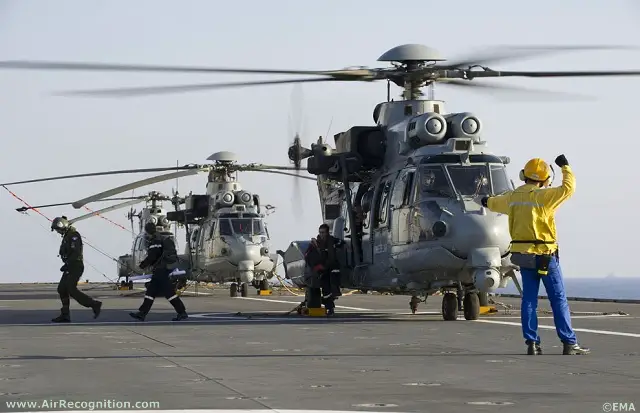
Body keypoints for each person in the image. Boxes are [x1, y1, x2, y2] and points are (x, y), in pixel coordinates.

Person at [481, 154, 589, 355]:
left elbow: (493, 202)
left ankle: (532, 343)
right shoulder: (545, 196)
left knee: (529, 299)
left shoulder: (512, 198)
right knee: (558, 299)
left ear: (524, 176)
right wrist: (565, 167)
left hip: (523, 256)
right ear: (545, 179)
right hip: (546, 255)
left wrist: (486, 200)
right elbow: (568, 188)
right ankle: (569, 343)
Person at [129, 222, 188, 321]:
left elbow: (153, 256)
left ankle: (182, 312)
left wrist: (143, 265)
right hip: (161, 270)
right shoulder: (160, 238)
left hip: (161, 270)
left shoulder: (155, 240)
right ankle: (142, 313)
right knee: (151, 292)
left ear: (147, 231)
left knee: (169, 293)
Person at [50, 216, 102, 323]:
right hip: (70, 266)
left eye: (58, 229)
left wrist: (68, 263)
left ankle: (94, 304)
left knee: (71, 289)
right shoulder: (67, 236)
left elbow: (76, 252)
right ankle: (65, 314)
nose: (58, 232)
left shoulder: (74, 236)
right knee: (61, 289)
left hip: (75, 266)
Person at [304, 223, 344, 315]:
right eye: (320, 232)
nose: (322, 234)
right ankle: (330, 308)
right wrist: (317, 267)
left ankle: (333, 295)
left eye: (323, 232)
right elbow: (308, 256)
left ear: (327, 233)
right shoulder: (315, 244)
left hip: (332, 267)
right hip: (323, 269)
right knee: (326, 289)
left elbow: (341, 243)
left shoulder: (332, 241)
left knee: (333, 283)